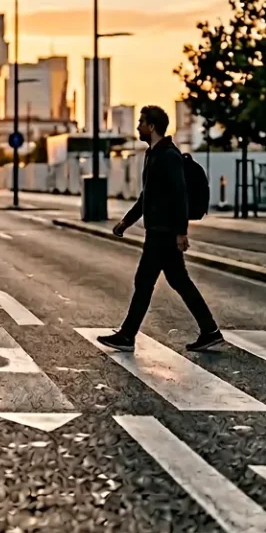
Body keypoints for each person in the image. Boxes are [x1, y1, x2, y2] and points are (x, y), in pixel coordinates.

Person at [97, 105, 224, 353]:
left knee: (144, 282)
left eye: (141, 122)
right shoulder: (152, 154)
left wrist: (181, 232)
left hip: (163, 232)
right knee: (179, 281)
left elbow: (180, 196)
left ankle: (127, 335)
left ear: (152, 126)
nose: (138, 127)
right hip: (157, 229)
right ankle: (210, 331)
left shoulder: (169, 156)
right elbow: (148, 195)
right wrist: (126, 221)